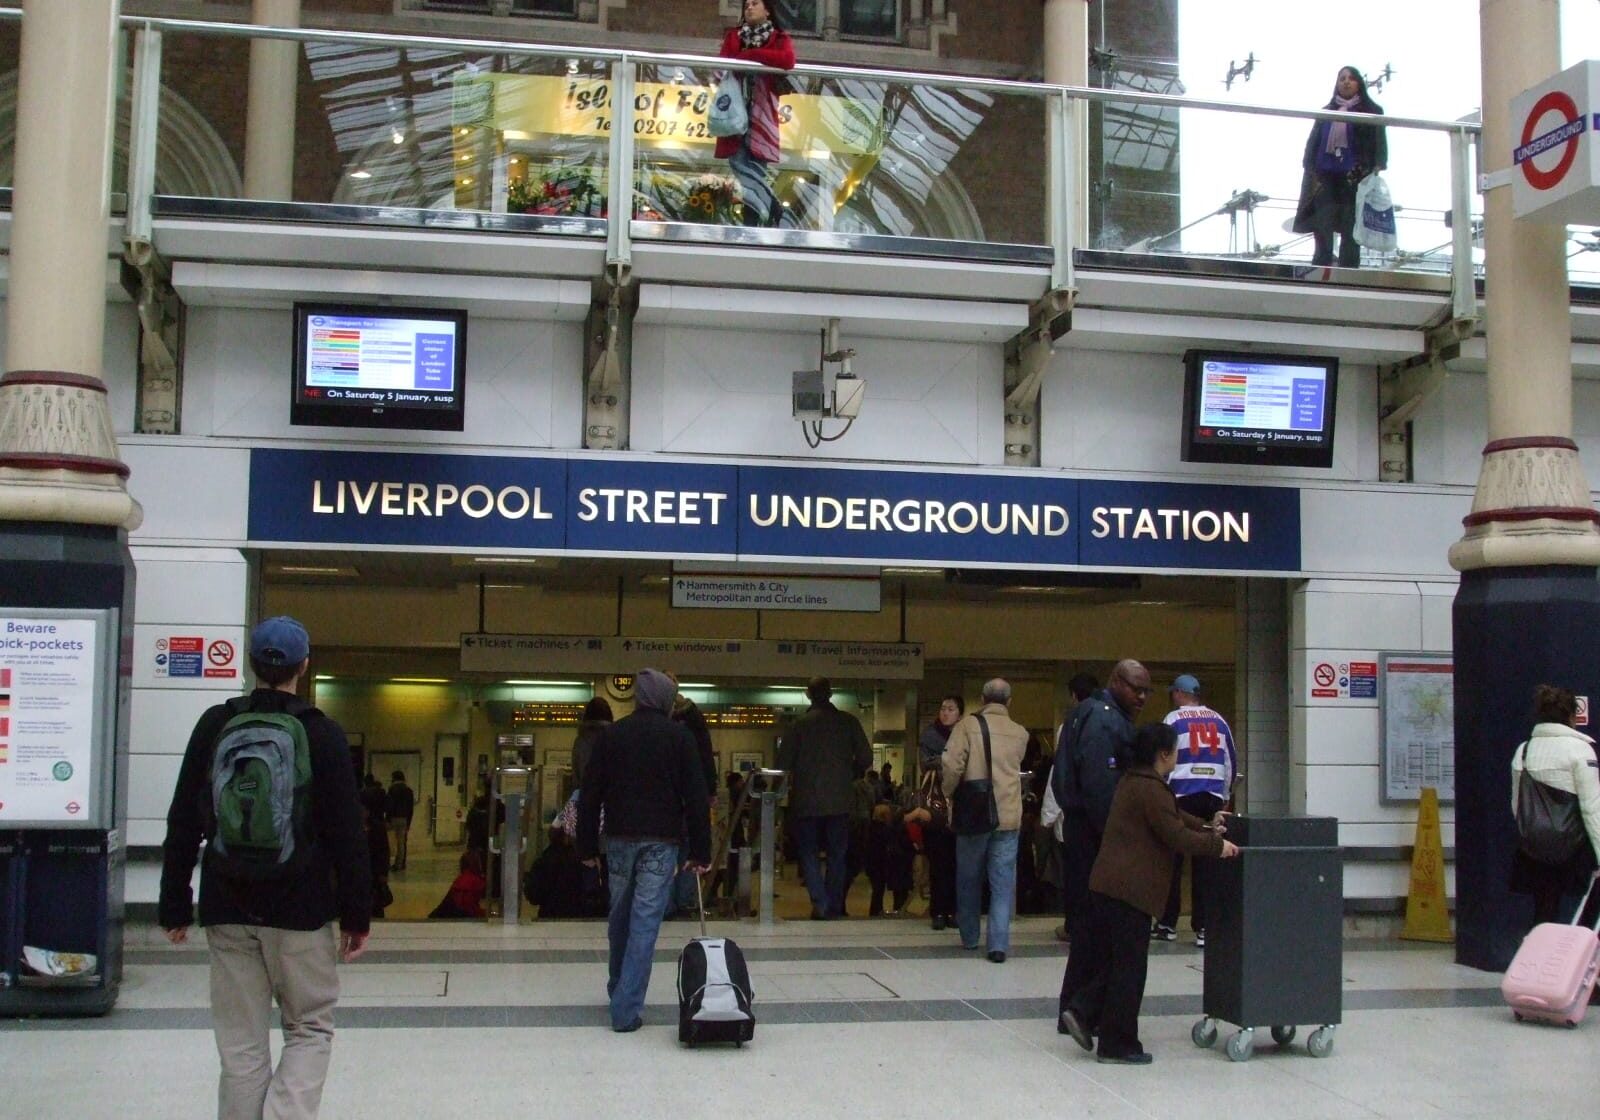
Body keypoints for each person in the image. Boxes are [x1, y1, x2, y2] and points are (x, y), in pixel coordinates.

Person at [158, 615, 370, 1119]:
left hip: (226, 904)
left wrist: (174, 904)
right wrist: (356, 916)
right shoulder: (321, 733)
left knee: (241, 1046)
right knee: (309, 1028)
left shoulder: (214, 724)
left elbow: (184, 817)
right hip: (300, 909)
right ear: (304, 665)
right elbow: (347, 834)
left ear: (252, 664)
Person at [1058, 723, 1239, 1065]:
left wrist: (1207, 825)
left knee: (1117, 962)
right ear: (1163, 754)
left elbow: (1175, 817)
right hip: (1129, 890)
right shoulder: (1150, 788)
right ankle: (1117, 1044)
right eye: (1175, 751)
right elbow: (1175, 834)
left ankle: (1082, 1010)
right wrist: (1217, 846)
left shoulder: (1137, 781)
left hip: (1110, 886)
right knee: (1130, 969)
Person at [577, 668, 712, 1032]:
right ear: (665, 698)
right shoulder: (679, 737)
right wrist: (701, 851)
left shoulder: (612, 736)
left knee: (619, 918)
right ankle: (625, 1008)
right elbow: (696, 796)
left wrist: (587, 846)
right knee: (645, 923)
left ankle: (618, 989)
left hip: (619, 839)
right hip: (661, 842)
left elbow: (590, 794)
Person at [1053, 659, 1150, 969]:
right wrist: (1116, 834)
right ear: (1116, 682)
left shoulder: (1086, 712)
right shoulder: (1103, 719)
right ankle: (1089, 990)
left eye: (1146, 691)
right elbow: (1098, 785)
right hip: (1094, 828)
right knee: (1097, 919)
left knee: (1087, 915)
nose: (1142, 697)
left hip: (1081, 823)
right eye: (1136, 689)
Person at [941, 678, 1030, 962]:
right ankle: (998, 945)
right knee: (1002, 884)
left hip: (973, 814)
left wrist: (948, 793)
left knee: (968, 879)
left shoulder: (966, 726)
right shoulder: (1020, 733)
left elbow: (952, 765)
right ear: (1010, 702)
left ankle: (969, 937)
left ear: (982, 699)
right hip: (1008, 816)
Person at [777, 677, 873, 919]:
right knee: (837, 854)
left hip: (806, 800)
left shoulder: (798, 725)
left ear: (808, 694)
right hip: (840, 800)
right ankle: (834, 904)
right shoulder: (849, 722)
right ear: (830, 694)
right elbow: (865, 758)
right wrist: (849, 774)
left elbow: (783, 763)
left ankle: (820, 903)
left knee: (808, 853)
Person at [1155, 674, 1238, 947]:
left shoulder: (1173, 720)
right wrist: (1224, 797)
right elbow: (1230, 761)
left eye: (1173, 692)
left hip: (1180, 797)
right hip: (1211, 797)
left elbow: (1162, 758)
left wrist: (1162, 793)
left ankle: (1167, 923)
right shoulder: (1219, 721)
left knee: (1172, 862)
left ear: (1180, 693)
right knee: (1207, 862)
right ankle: (1204, 927)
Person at [1509, 684, 1600, 926]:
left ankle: (1539, 948)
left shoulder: (1523, 750)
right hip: (1572, 849)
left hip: (1533, 848)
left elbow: (1517, 806)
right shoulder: (1580, 750)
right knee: (1590, 905)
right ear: (1571, 716)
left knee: (1544, 910)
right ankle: (1578, 947)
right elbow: (1592, 809)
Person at [1292, 65, 1387, 268]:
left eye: (1351, 78)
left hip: (1354, 177)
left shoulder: (1372, 112)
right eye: (1342, 78)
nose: (1346, 82)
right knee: (1322, 224)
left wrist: (1375, 166)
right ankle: (1320, 268)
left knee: (1350, 227)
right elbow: (1313, 143)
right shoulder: (1327, 111)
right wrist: (1309, 167)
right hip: (1324, 176)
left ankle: (1348, 272)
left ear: (1359, 83)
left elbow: (1379, 147)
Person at [714, 0, 796, 228]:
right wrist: (757, 58)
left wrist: (750, 55)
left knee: (756, 166)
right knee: (738, 163)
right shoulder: (734, 36)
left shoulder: (779, 38)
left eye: (755, 3)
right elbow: (721, 67)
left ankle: (752, 221)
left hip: (762, 113)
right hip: (735, 109)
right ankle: (774, 208)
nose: (749, 7)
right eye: (746, 5)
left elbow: (787, 60)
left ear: (767, 10)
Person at [919, 694, 964, 930]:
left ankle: (953, 910)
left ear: (960, 714)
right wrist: (950, 760)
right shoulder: (929, 735)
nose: (945, 712)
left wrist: (943, 761)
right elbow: (927, 763)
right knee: (937, 861)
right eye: (943, 708)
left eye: (951, 709)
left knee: (957, 862)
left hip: (959, 806)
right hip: (936, 806)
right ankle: (938, 910)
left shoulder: (965, 735)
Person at [525, 829, 592, 919]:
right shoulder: (581, 862)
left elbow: (533, 896)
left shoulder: (543, 862)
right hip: (577, 917)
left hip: (548, 915)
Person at [429, 850, 488, 920]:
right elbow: (467, 908)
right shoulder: (471, 881)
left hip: (441, 919)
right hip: (448, 921)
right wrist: (484, 914)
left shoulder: (463, 879)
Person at [571, 696, 614, 790]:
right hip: (610, 794)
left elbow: (576, 776)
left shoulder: (580, 741)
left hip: (586, 793)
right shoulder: (615, 738)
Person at [386, 769, 415, 873]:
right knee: (401, 843)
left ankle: (387, 862)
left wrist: (387, 819)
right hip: (404, 819)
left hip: (393, 818)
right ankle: (400, 864)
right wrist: (409, 822)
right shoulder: (409, 790)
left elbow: (389, 805)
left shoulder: (392, 789)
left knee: (389, 841)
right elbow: (410, 808)